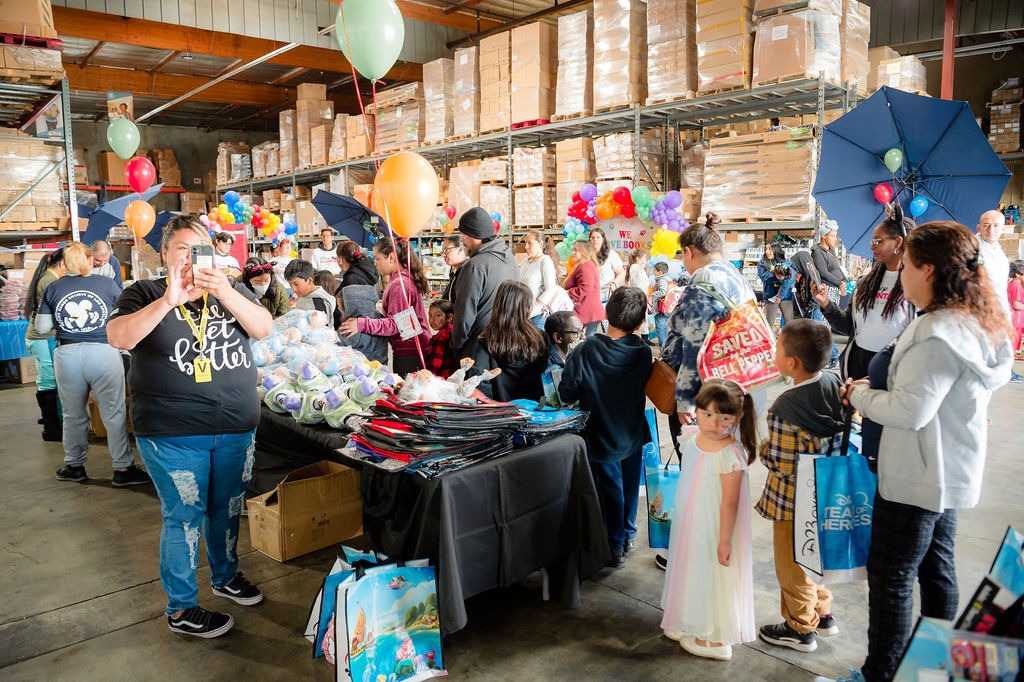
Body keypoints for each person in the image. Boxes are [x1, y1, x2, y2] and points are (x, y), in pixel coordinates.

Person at [817, 222, 1014, 682]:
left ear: (927, 270)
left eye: (905, 266)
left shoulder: (939, 332)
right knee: (935, 568)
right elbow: (925, 394)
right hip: (943, 468)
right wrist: (877, 383)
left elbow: (910, 410)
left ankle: (881, 673)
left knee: (891, 577)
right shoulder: (968, 320)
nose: (899, 274)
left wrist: (859, 396)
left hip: (918, 470)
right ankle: (928, 666)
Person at [106, 215, 273, 639]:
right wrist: (168, 300)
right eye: (182, 247)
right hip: (172, 434)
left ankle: (225, 575)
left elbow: (263, 328)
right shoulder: (143, 292)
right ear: (164, 253)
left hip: (235, 426)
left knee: (228, 507)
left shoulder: (227, 290)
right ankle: (181, 608)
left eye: (199, 248)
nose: (190, 256)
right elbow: (119, 338)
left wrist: (226, 293)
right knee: (183, 517)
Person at [658, 214, 761, 570]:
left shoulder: (702, 284)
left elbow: (692, 344)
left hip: (705, 398)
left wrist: (686, 401)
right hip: (735, 388)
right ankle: (721, 544)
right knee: (724, 471)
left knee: (698, 473)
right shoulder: (737, 279)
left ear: (689, 252)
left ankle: (695, 550)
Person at [755, 320, 845, 654]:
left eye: (778, 348)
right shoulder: (835, 383)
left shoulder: (784, 407)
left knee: (792, 566)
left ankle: (800, 627)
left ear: (792, 362)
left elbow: (781, 463)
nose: (774, 353)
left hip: (793, 502)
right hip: (828, 490)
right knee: (814, 557)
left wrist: (763, 451)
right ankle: (823, 613)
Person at [35, 243, 149, 486]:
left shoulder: (54, 287)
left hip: (67, 354)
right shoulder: (108, 285)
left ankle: (74, 465)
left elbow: (42, 327)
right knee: (114, 412)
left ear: (65, 263)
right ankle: (123, 469)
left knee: (73, 413)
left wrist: (65, 322)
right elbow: (126, 314)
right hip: (103, 352)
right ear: (88, 261)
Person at [660, 379, 757, 661]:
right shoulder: (691, 436)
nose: (714, 423)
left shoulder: (732, 454)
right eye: (708, 414)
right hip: (692, 520)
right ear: (697, 411)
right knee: (691, 566)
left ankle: (713, 636)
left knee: (714, 572)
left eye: (724, 418)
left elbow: (730, 503)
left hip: (716, 526)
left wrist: (725, 540)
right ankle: (687, 617)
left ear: (738, 418)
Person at [559, 286, 652, 567]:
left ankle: (614, 547)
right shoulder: (642, 352)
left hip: (599, 433)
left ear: (607, 312)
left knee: (611, 488)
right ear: (639, 322)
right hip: (632, 431)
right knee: (630, 484)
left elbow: (568, 393)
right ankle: (628, 535)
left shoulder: (584, 351)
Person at [813, 211, 915, 381]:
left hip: (896, 373)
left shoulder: (916, 286)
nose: (872, 247)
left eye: (877, 241)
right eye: (872, 241)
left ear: (898, 242)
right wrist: (826, 304)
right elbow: (847, 326)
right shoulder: (865, 283)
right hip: (858, 369)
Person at [339, 235, 431, 376]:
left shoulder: (400, 285)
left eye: (378, 258)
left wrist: (362, 324)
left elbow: (396, 324)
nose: (375, 263)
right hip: (409, 348)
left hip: (411, 352)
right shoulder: (400, 280)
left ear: (392, 257)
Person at [451, 207, 519, 358]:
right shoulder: (510, 259)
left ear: (474, 235)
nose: (462, 239)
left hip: (477, 347)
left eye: (463, 234)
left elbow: (464, 314)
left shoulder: (474, 266)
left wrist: (457, 346)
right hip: (507, 343)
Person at [467, 281, 550, 401]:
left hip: (499, 411)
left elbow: (478, 379)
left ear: (497, 305)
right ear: (528, 307)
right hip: (534, 408)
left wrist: (493, 404)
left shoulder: (487, 340)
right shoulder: (541, 337)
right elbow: (545, 374)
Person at [23, 248, 65, 441]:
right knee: (48, 380)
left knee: (53, 380)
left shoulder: (51, 277)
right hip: (41, 337)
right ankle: (51, 428)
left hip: (46, 336)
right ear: (63, 263)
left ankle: (55, 424)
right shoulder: (50, 280)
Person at [811, 220, 848, 367]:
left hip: (835, 290)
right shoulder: (818, 252)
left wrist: (844, 280)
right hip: (828, 290)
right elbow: (823, 272)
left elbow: (837, 269)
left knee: (828, 324)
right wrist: (839, 283)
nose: (835, 239)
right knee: (825, 325)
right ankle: (833, 356)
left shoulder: (830, 251)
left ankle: (828, 356)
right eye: (832, 236)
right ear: (824, 236)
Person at [338, 285, 388, 365]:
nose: (339, 309)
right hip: (380, 368)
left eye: (341, 307)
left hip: (359, 373)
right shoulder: (378, 317)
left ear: (351, 307)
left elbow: (334, 346)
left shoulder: (350, 327)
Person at [518, 229, 558, 329]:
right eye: (525, 243)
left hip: (537, 317)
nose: (526, 247)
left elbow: (551, 289)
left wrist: (534, 308)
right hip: (522, 316)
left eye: (530, 243)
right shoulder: (525, 262)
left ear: (540, 244)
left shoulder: (545, 261)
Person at [564, 240, 605, 336]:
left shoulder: (586, 265)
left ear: (585, 251)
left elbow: (585, 287)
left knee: (583, 344)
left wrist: (568, 293)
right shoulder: (585, 264)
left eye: (576, 250)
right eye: (573, 250)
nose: (572, 253)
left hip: (586, 312)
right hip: (586, 311)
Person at [976, 209, 1010, 316]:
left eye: (996, 226)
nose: (991, 230)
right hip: (980, 313)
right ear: (979, 227)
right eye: (986, 225)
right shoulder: (971, 249)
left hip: (999, 312)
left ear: (1003, 229)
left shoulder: (999, 252)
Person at [758, 243, 794, 330]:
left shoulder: (784, 261)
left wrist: (786, 271)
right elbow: (764, 277)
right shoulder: (762, 263)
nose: (767, 252)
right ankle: (771, 342)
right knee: (769, 323)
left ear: (776, 250)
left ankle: (789, 342)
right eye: (766, 249)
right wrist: (776, 273)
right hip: (770, 295)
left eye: (770, 249)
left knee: (790, 322)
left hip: (785, 295)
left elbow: (791, 275)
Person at [589, 227, 625, 304]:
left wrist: (614, 283)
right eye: (593, 237)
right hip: (589, 298)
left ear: (603, 240)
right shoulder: (586, 255)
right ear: (590, 240)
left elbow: (622, 273)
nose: (595, 239)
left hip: (606, 298)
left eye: (598, 237)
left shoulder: (611, 255)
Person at [424, 299, 456, 378]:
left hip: (439, 381)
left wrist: (425, 378)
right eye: (430, 315)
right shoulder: (452, 332)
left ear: (449, 317)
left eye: (437, 315)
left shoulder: (442, 337)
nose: (432, 320)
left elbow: (434, 368)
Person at [1008, 260, 1024, 382]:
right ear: (1018, 274)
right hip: (1015, 321)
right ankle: (1009, 373)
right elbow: (1017, 304)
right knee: (1011, 348)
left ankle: (1009, 372)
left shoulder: (1013, 285)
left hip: (1015, 321)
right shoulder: (1016, 286)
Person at [439, 235, 467, 303]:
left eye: (447, 250)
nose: (443, 255)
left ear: (460, 249)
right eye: (443, 251)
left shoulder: (467, 272)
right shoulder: (455, 272)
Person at [649, 261, 672, 347]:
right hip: (668, 308)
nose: (653, 272)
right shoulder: (668, 278)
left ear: (660, 272)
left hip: (661, 309)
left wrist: (653, 295)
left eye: (655, 270)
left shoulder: (662, 280)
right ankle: (665, 346)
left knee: (660, 328)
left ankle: (662, 348)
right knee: (664, 328)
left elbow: (663, 291)